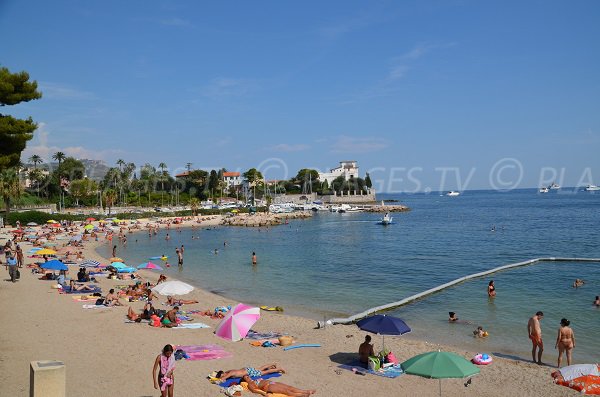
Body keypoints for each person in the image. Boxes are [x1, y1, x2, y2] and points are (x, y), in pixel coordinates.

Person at [241, 374, 315, 397]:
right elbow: (254, 390)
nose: (248, 377)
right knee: (286, 391)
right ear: (245, 381)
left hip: (273, 383)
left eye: (248, 376)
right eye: (246, 377)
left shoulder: (254, 380)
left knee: (289, 387)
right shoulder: (250, 384)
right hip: (268, 386)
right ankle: (302, 395)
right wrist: (263, 393)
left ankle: (306, 391)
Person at [216, 364, 286, 381]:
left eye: (222, 375)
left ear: (223, 374)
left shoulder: (230, 373)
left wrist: (215, 379)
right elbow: (225, 375)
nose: (222, 376)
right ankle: (272, 364)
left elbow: (223, 379)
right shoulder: (229, 371)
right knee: (260, 368)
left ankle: (279, 369)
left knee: (264, 372)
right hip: (246, 369)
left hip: (248, 372)